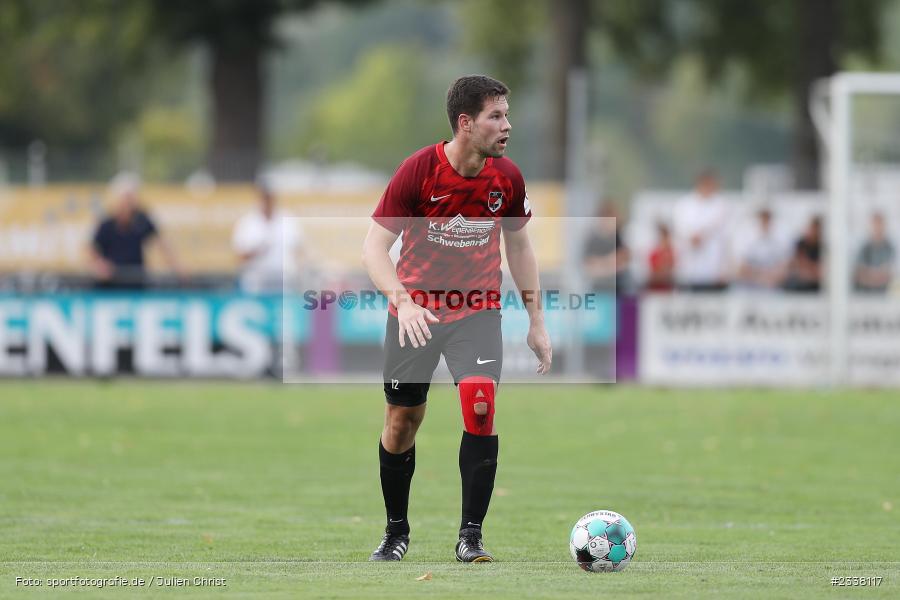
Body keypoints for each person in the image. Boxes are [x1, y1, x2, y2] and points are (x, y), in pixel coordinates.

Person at [361, 75, 552, 563]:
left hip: (478, 311)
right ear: (465, 123)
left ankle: (471, 536)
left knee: (480, 403)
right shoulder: (418, 171)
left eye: (507, 114)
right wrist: (402, 302)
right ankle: (395, 531)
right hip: (416, 315)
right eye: (496, 115)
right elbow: (374, 247)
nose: (507, 124)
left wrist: (536, 320)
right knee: (402, 421)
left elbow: (521, 246)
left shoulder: (507, 177)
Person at [89, 174, 183, 289]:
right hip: (110, 285)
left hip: (136, 282)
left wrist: (177, 267)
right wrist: (100, 264)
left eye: (132, 197)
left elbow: (163, 245)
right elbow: (91, 250)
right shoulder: (106, 224)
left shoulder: (142, 221)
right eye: (126, 198)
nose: (129, 203)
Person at [232, 184, 304, 294]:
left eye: (269, 197)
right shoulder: (247, 222)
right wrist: (257, 252)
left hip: (284, 281)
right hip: (256, 282)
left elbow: (298, 249)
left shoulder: (288, 220)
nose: (267, 201)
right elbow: (239, 256)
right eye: (264, 198)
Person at [672, 170, 730, 291]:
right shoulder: (685, 205)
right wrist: (692, 238)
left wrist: (725, 268)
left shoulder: (721, 205)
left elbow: (726, 240)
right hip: (689, 269)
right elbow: (680, 232)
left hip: (714, 271)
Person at [582, 200, 631, 294]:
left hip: (618, 290)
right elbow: (589, 267)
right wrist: (611, 261)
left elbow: (623, 261)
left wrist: (602, 264)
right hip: (599, 290)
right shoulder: (593, 239)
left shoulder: (619, 238)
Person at [736, 208, 789, 290]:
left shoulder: (778, 244)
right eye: (762, 221)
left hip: (773, 289)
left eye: (767, 220)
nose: (764, 223)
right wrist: (760, 277)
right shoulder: (749, 243)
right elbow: (741, 270)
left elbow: (784, 270)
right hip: (751, 288)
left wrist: (770, 277)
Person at [854, 212, 895, 293]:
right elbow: (859, 275)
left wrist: (870, 275)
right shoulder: (864, 248)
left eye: (880, 225)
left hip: (885, 296)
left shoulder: (890, 248)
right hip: (865, 295)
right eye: (875, 225)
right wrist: (878, 276)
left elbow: (890, 275)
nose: (877, 228)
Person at [784, 215, 823, 293]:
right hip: (801, 281)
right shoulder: (801, 243)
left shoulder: (822, 246)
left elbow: (821, 271)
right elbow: (797, 264)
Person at [646, 221, 675, 292]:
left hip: (668, 290)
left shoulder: (671, 253)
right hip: (655, 290)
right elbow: (654, 274)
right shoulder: (654, 254)